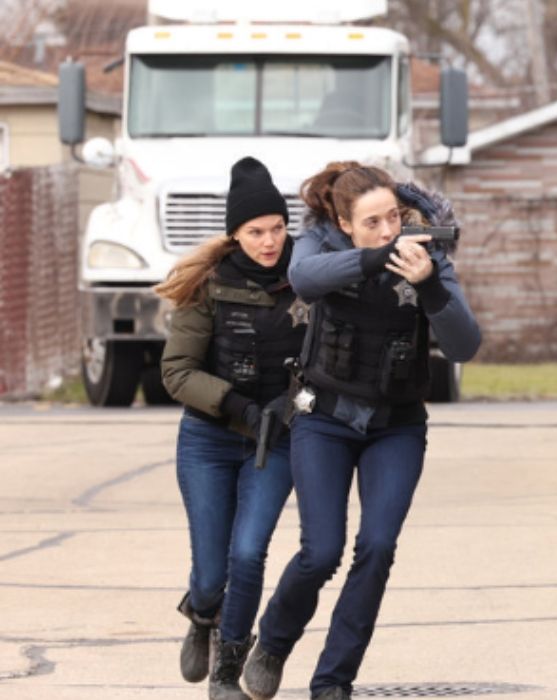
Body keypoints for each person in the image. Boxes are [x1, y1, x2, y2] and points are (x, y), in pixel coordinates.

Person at [241, 162, 482, 700]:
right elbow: (304, 279)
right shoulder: (318, 244)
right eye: (372, 222)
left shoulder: (427, 252)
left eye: (393, 217)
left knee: (376, 547)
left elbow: (466, 345)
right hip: (324, 418)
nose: (388, 231)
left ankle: (333, 681)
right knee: (321, 551)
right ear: (345, 224)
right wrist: (376, 260)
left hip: (395, 426)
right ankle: (274, 641)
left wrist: (428, 286)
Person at [157, 156, 304, 700]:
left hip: (278, 439)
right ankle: (201, 614)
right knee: (211, 573)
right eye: (255, 231)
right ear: (235, 233)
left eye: (277, 228)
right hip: (210, 439)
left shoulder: (307, 277)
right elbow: (176, 372)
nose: (269, 241)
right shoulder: (208, 285)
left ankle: (227, 671)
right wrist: (235, 406)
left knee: (249, 553)